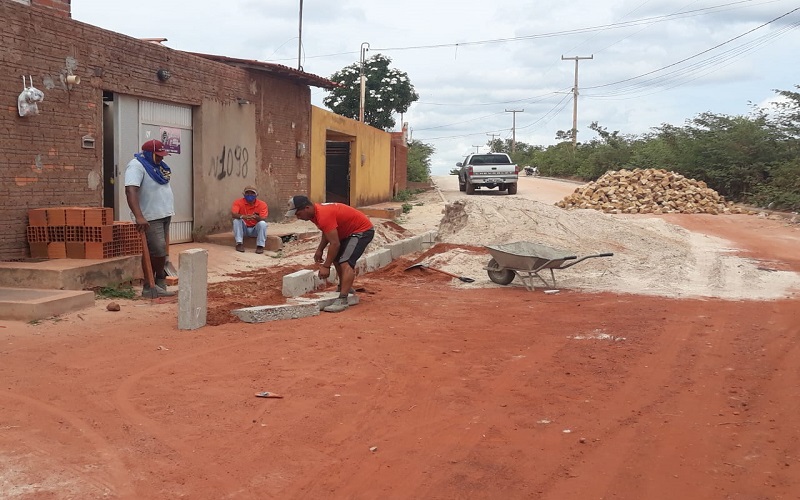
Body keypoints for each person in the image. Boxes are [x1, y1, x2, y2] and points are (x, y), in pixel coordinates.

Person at [286, 195, 374, 313]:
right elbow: (327, 231)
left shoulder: (323, 214)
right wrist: (320, 249)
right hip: (347, 233)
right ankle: (344, 287)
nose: (298, 217)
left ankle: (343, 299)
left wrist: (326, 266)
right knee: (336, 258)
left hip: (362, 231)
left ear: (306, 208)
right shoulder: (315, 213)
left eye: (298, 214)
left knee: (345, 262)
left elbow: (335, 244)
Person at [124, 139, 176, 297]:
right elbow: (130, 191)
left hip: (164, 213)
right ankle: (149, 285)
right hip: (150, 216)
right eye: (158, 155)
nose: (161, 158)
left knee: (161, 251)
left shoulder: (158, 167)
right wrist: (139, 216)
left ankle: (159, 282)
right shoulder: (136, 166)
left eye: (162, 155)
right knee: (157, 250)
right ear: (148, 153)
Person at [231, 186, 269, 254]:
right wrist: (243, 216)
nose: (249, 195)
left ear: (256, 195)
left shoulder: (262, 204)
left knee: (263, 223)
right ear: (244, 194)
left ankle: (260, 246)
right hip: (244, 229)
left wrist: (255, 217)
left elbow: (263, 218)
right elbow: (233, 214)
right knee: (236, 221)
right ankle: (239, 243)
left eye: (252, 193)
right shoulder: (238, 202)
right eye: (247, 193)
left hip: (255, 229)